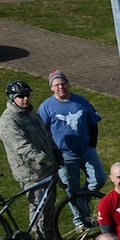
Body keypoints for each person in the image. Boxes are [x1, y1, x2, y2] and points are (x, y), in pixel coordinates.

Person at [0, 79, 65, 240]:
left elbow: (46, 136)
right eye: (21, 96)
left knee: (46, 206)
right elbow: (21, 146)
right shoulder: (9, 120)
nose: (25, 99)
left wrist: (55, 152)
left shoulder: (31, 114)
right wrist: (42, 158)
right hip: (30, 171)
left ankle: (38, 238)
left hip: (46, 168)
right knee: (40, 208)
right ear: (12, 98)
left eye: (27, 95)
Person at [38, 71, 103, 228]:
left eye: (63, 84)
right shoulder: (46, 107)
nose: (61, 87)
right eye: (57, 85)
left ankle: (82, 202)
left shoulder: (80, 102)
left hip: (86, 150)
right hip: (64, 156)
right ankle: (80, 220)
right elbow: (42, 132)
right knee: (71, 189)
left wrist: (92, 144)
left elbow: (93, 123)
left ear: (68, 84)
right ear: (51, 88)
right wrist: (53, 153)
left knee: (99, 179)